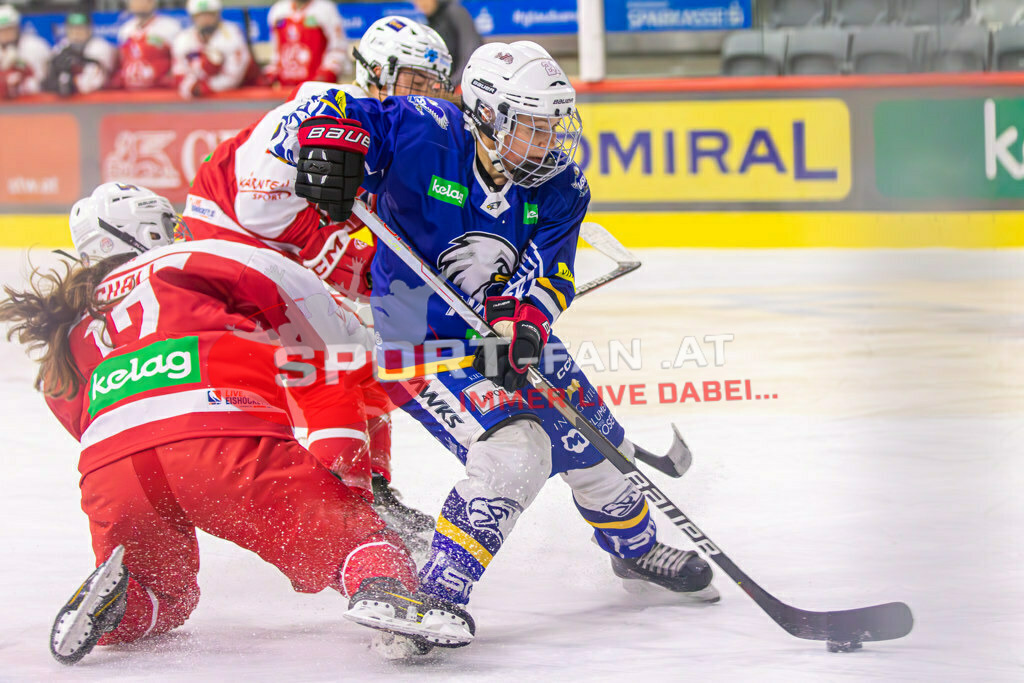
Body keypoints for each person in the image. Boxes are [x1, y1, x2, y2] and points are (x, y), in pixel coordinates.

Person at [277, 41, 719, 649]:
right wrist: (328, 145)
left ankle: (635, 550)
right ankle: (432, 596)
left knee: (599, 445)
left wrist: (524, 327)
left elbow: (550, 271)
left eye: (554, 125)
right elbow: (319, 109)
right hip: (417, 343)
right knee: (518, 452)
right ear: (486, 115)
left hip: (500, 334)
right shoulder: (423, 129)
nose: (549, 140)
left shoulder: (562, 185)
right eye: (533, 126)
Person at [0, 182, 420, 665]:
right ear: (149, 229)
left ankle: (125, 606)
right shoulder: (201, 256)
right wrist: (365, 346)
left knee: (166, 596)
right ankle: (390, 594)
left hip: (111, 470)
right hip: (219, 445)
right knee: (359, 540)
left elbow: (79, 417)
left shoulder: (72, 323)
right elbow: (319, 325)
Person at [182, 16, 453, 545]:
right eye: (414, 80)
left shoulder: (396, 133)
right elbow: (258, 206)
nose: (424, 95)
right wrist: (349, 264)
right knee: (342, 359)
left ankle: (369, 491)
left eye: (433, 84)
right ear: (376, 72)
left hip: (259, 255)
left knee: (366, 356)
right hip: (225, 249)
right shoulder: (323, 108)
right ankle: (342, 507)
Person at [172, 0, 252, 100]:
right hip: (195, 96)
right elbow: (179, 72)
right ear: (193, 17)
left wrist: (207, 86)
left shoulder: (232, 34)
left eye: (210, 14)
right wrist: (190, 86)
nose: (205, 19)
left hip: (228, 96)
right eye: (200, 15)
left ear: (217, 14)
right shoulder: (183, 39)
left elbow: (234, 77)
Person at [265, 0, 348, 87]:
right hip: (286, 87)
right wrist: (271, 72)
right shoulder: (278, 11)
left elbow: (339, 48)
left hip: (316, 87)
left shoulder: (325, 9)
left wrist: (329, 71)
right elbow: (277, 52)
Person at [43, 12, 118, 97]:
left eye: (80, 28)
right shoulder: (61, 47)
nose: (76, 32)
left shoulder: (100, 47)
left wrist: (70, 79)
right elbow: (47, 83)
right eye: (72, 28)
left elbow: (90, 85)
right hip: (71, 101)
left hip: (103, 100)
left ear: (89, 29)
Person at [116, 0, 181, 90]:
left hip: (160, 90)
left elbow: (179, 60)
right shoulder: (125, 30)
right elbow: (122, 60)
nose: (139, 3)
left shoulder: (170, 27)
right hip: (130, 91)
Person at [412, 0, 481, 83]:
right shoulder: (432, 20)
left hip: (460, 82)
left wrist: (453, 82)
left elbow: (471, 49)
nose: (421, 4)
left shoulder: (455, 11)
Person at [0, 4, 50, 99]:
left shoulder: (36, 46)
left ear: (17, 28)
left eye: (9, 29)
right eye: (2, 30)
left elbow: (45, 79)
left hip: (35, 101)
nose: (5, 34)